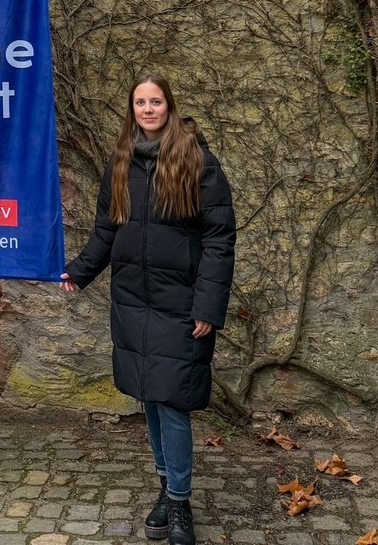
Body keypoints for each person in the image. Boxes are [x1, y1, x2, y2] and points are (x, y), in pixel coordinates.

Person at [61, 75, 235, 545]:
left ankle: (180, 503)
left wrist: (208, 306)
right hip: (133, 301)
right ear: (132, 109)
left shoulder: (197, 160)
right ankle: (166, 487)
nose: (148, 108)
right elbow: (107, 228)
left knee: (173, 401)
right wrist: (79, 271)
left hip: (180, 304)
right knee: (152, 398)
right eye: (140, 102)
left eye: (155, 101)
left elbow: (220, 239)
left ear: (169, 106)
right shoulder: (121, 161)